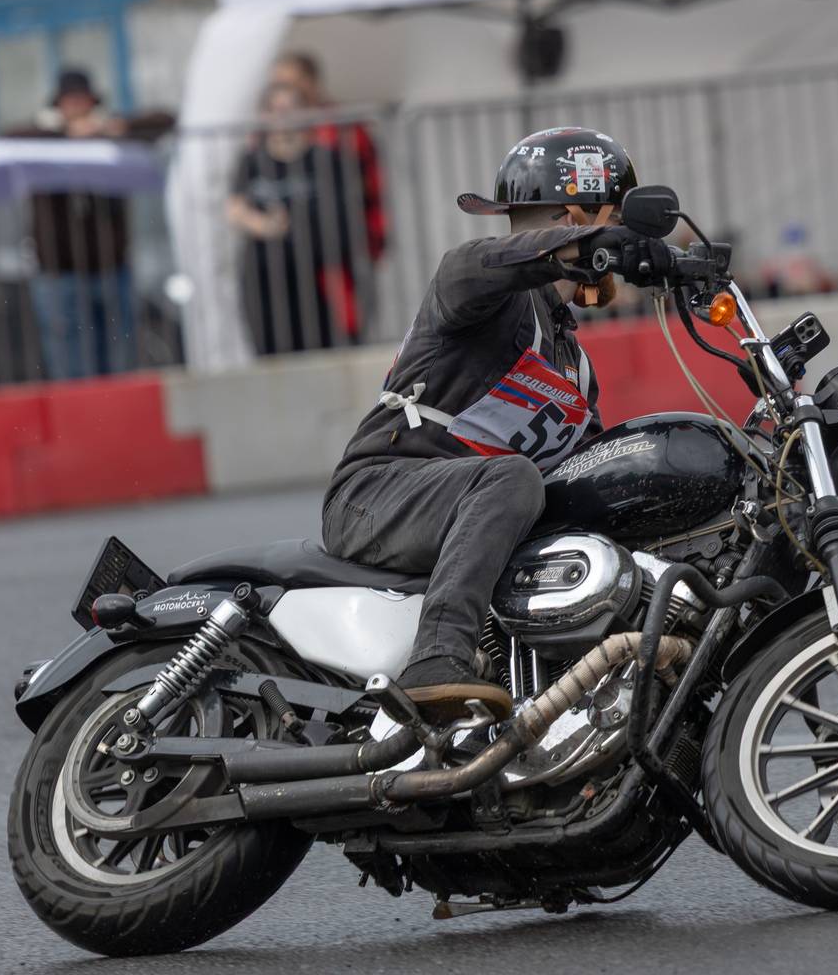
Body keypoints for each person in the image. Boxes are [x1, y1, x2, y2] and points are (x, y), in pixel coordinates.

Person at [321, 127, 666, 721]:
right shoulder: (482, 289)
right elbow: (475, 264)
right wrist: (589, 245)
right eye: (616, 219)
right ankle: (437, 658)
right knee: (510, 477)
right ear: (575, 217)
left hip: (452, 510)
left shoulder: (574, 366)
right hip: (374, 493)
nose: (623, 239)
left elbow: (588, 476)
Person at [10, 68, 173, 380]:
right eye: (69, 101)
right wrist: (64, 135)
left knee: (119, 362)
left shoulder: (109, 136)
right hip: (58, 273)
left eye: (81, 100)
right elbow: (8, 137)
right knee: (71, 368)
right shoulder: (41, 141)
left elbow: (165, 121)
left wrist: (115, 127)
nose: (76, 107)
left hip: (110, 269)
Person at [228, 82, 359, 354]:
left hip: (314, 273)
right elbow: (235, 209)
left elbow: (343, 210)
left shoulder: (323, 158)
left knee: (319, 348)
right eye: (276, 110)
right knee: (268, 351)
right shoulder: (252, 160)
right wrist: (266, 225)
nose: (284, 117)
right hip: (263, 274)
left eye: (290, 109)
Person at [269, 51, 386, 342]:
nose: (284, 91)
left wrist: (372, 235)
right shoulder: (272, 131)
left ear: (311, 82)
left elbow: (368, 184)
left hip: (339, 251)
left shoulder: (342, 126)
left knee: (344, 328)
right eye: (278, 84)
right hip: (293, 256)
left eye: (290, 82)